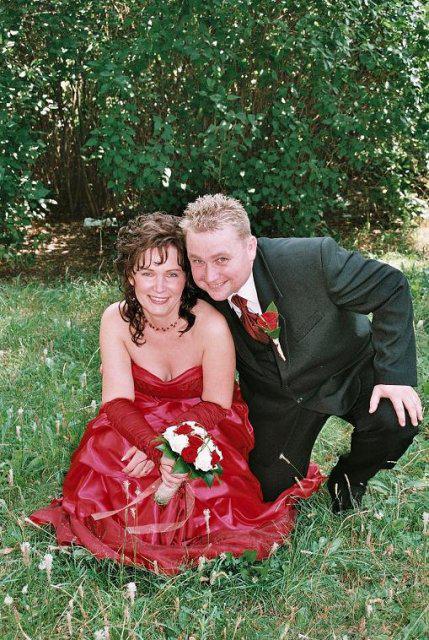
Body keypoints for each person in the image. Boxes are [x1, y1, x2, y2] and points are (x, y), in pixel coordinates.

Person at [30, 213, 323, 574]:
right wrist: (154, 448)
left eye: (172, 274)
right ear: (130, 275)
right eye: (147, 272)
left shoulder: (212, 325)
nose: (160, 287)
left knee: (208, 488)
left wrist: (174, 445)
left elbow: (217, 403)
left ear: (187, 278)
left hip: (202, 420)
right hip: (135, 419)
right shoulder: (115, 320)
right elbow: (117, 401)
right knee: (119, 474)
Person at [181, 194, 422, 512]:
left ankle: (350, 478)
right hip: (275, 397)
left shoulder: (311, 258)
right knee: (267, 492)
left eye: (222, 259)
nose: (209, 276)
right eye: (198, 261)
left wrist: (393, 376)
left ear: (250, 247)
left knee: (396, 419)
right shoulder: (193, 287)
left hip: (345, 369)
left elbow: (390, 286)